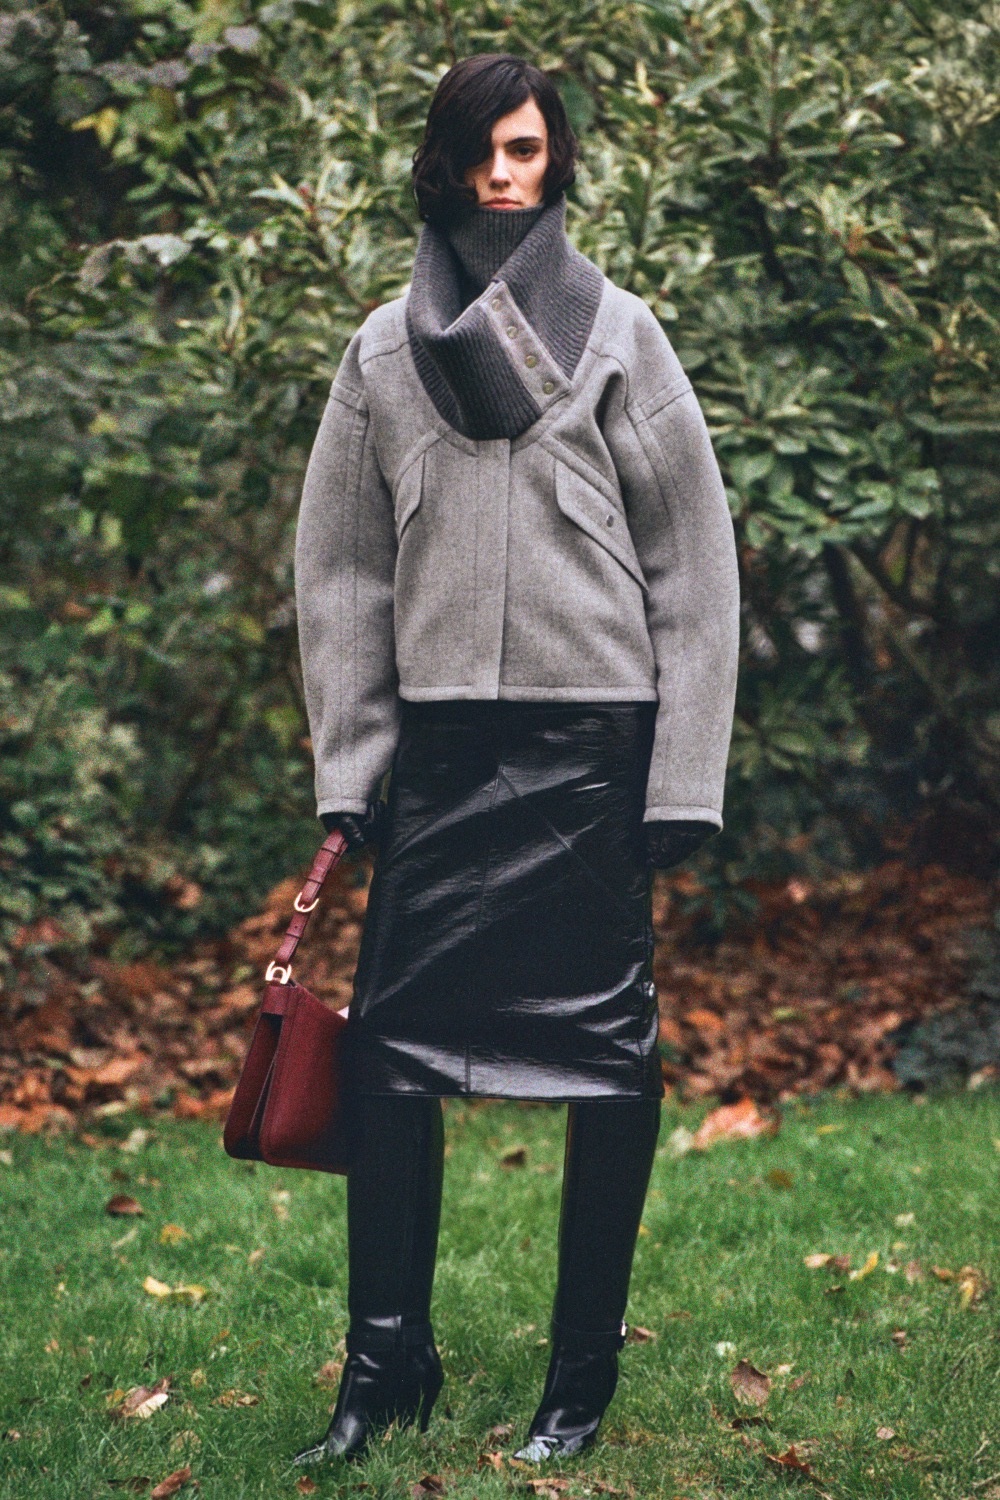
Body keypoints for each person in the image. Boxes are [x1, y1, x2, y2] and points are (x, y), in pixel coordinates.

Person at [290, 52, 740, 1467]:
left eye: (529, 147)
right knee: (387, 1058)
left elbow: (695, 565)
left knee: (608, 1060)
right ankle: (385, 1369)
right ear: (444, 159)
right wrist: (352, 767)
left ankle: (578, 1385)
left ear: (557, 162)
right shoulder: (381, 350)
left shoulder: (620, 334)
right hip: (442, 747)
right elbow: (341, 574)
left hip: (589, 742)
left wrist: (682, 777)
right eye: (484, 146)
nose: (505, 171)